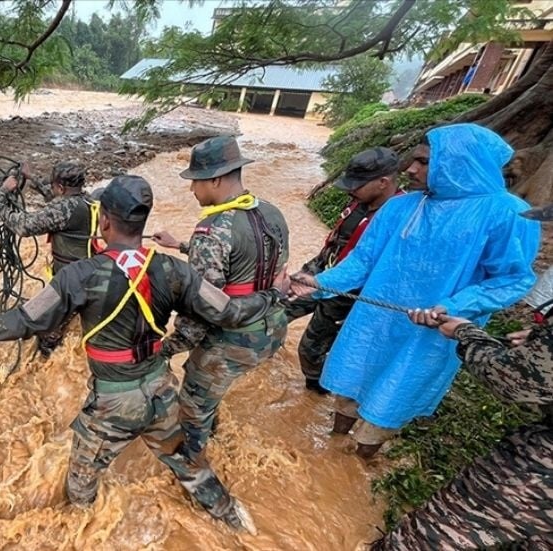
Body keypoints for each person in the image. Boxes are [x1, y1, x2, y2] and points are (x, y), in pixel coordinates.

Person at [0, 175, 293, 534]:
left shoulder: (79, 275)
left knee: (80, 490)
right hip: (162, 392)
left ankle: (80, 532)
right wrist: (273, 294)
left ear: (104, 221)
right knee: (192, 469)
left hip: (112, 404)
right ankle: (237, 523)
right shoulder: (174, 270)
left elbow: (28, 319)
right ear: (143, 221)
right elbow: (228, 311)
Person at [290, 124, 540, 459]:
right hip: (372, 322)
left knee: (392, 399)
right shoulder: (401, 207)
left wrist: (455, 305)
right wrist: (320, 283)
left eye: (424, 161)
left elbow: (512, 279)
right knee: (350, 382)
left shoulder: (509, 214)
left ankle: (360, 459)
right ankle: (334, 451)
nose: (410, 169)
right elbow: (362, 261)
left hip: (431, 333)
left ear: (460, 162)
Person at [373, 206, 553, 548]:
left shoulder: (500, 214)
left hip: (540, 466)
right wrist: (538, 340)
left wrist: (466, 333)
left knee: (427, 537)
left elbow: (514, 380)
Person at [152, 135, 289, 462]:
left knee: (192, 406)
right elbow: (252, 263)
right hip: (272, 329)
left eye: (195, 181)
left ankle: (192, 464)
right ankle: (212, 426)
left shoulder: (211, 230)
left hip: (233, 339)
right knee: (213, 390)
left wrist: (165, 350)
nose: (191, 189)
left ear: (215, 179)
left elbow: (202, 312)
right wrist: (181, 245)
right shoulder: (271, 212)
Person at [286, 147, 402, 394]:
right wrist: (312, 270)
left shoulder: (400, 217)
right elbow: (337, 241)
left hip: (348, 293)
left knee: (311, 348)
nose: (350, 189)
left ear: (383, 183)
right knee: (278, 308)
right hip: (322, 269)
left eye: (357, 185)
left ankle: (317, 391)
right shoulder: (360, 201)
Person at [0, 160, 99, 357]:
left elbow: (24, 226)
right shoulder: (87, 201)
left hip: (69, 281)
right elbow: (56, 199)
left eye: (54, 185)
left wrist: (0, 199)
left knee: (48, 325)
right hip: (86, 273)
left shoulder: (63, 209)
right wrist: (31, 177)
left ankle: (46, 358)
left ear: (61, 187)